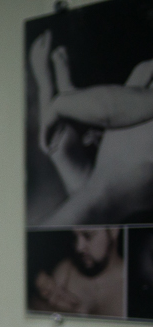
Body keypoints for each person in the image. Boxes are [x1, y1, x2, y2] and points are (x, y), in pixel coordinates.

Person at [29, 29, 153, 225]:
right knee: (91, 193)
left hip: (125, 177)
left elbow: (109, 110)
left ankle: (61, 105)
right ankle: (62, 135)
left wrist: (59, 105)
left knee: (90, 193)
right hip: (126, 184)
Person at [34, 227, 125, 317]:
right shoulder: (66, 272)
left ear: (113, 230)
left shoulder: (128, 285)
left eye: (88, 235)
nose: (79, 247)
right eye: (75, 237)